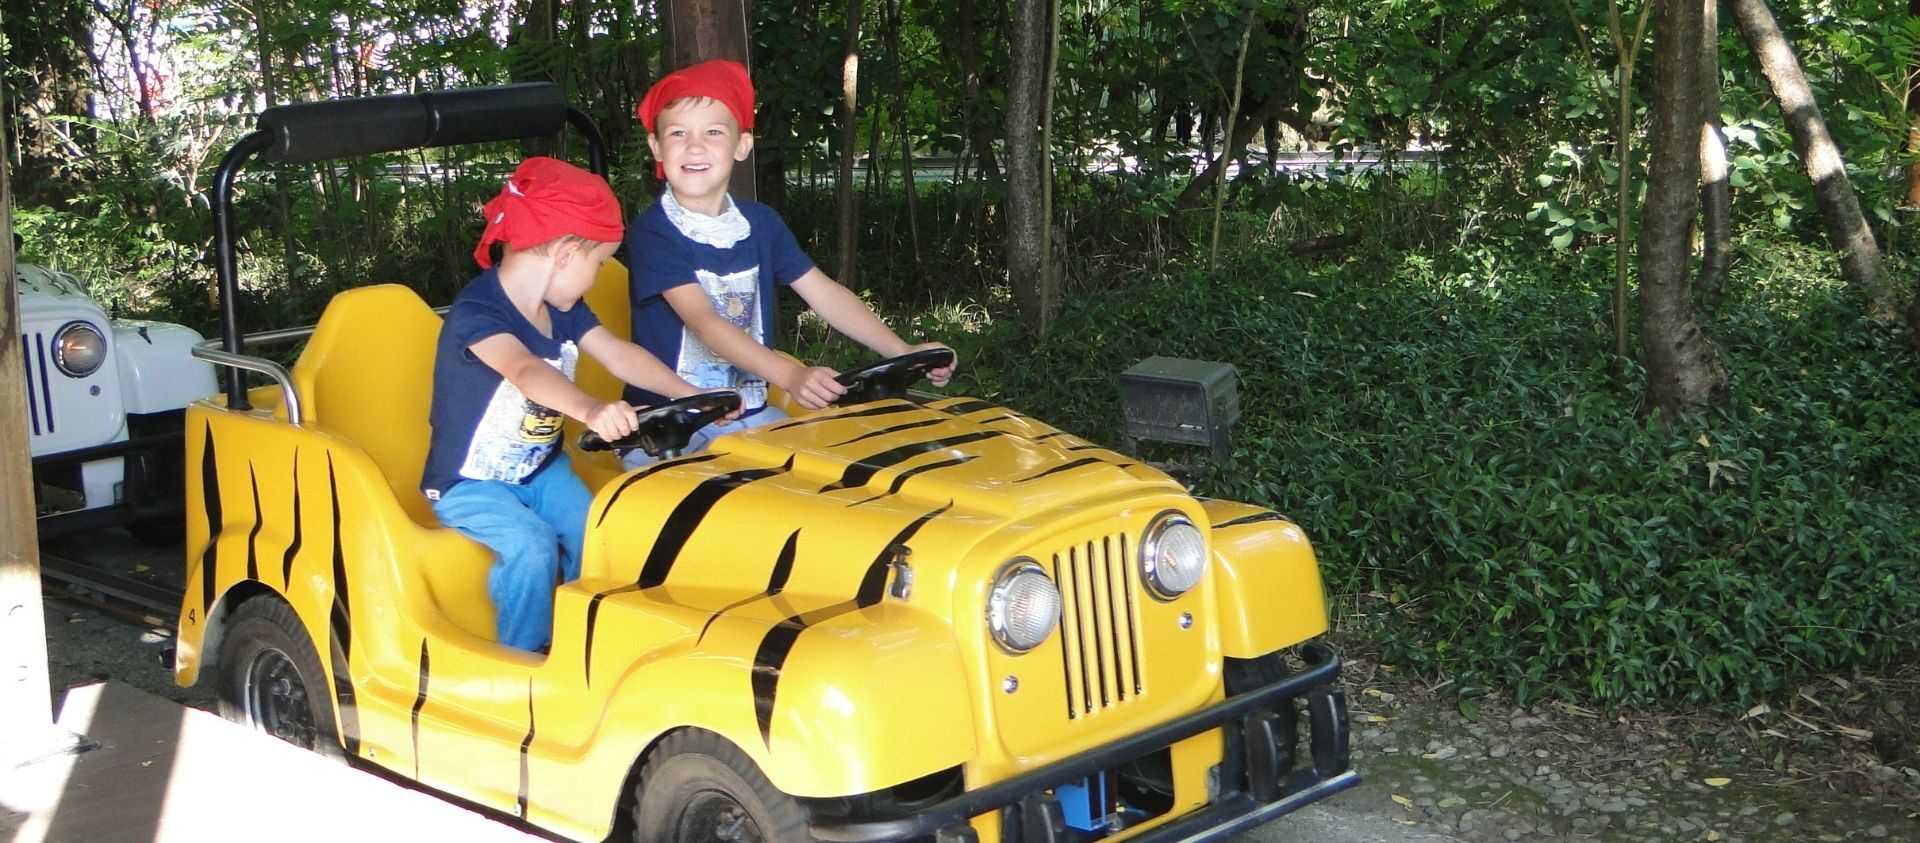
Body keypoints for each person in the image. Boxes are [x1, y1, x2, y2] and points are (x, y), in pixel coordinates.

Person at [421, 156, 710, 652]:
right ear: (565, 253)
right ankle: (527, 657)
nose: (595, 278)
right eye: (597, 265)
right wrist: (591, 410)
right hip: (470, 483)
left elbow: (618, 354)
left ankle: (584, 640)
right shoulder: (479, 312)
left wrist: (688, 394)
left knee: (595, 527)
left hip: (541, 469)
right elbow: (525, 371)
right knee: (531, 545)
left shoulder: (564, 308)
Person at [621, 59, 956, 467]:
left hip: (749, 414)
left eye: (713, 132)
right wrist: (790, 376)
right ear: (656, 147)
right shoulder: (654, 232)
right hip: (669, 427)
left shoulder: (762, 224)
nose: (695, 146)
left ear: (742, 145)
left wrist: (901, 350)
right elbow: (704, 322)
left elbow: (825, 294)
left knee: (825, 474)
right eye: (678, 133)